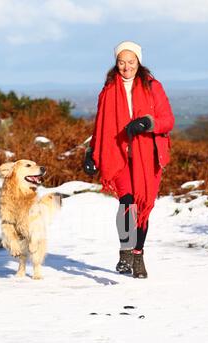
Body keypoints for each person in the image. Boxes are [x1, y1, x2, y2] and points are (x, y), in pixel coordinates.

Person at [84, 40, 175, 278]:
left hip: (148, 157)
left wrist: (148, 123)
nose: (126, 67)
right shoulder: (108, 90)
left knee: (143, 206)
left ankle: (138, 254)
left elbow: (168, 120)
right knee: (127, 203)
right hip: (118, 155)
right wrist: (92, 153)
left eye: (131, 62)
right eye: (122, 62)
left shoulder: (153, 87)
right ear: (116, 63)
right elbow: (100, 126)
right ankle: (125, 251)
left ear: (139, 62)